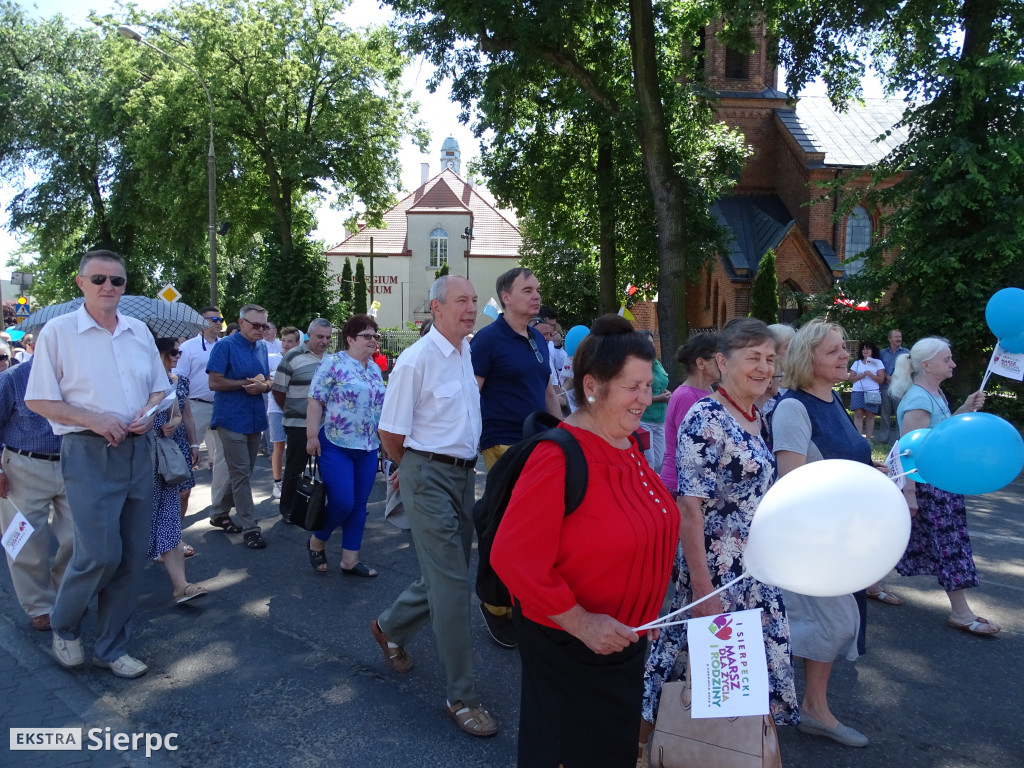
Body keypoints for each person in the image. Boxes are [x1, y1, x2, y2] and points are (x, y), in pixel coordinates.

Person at [492, 315, 678, 767]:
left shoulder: (628, 446)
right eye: (632, 387)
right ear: (593, 386)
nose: (645, 398)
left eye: (648, 385)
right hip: (573, 650)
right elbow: (512, 556)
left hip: (621, 647)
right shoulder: (557, 456)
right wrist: (582, 623)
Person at [641, 317, 798, 759]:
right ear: (721, 362)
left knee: (746, 674)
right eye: (753, 357)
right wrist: (703, 588)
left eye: (769, 358)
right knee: (684, 666)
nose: (764, 367)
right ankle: (644, 748)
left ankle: (742, 752)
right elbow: (689, 507)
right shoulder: (705, 417)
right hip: (715, 569)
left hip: (754, 569)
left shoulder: (757, 415)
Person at [26, 249, 167, 678]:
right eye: (99, 278)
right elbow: (38, 398)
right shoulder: (59, 331)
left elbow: (159, 389)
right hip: (87, 450)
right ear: (80, 283)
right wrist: (94, 418)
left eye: (117, 280)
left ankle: (111, 645)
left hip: (137, 451)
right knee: (99, 553)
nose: (109, 287)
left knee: (131, 555)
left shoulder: (139, 330)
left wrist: (149, 412)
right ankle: (65, 625)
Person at [372, 275, 499, 738]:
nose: (470, 307)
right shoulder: (416, 360)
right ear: (436, 308)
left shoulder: (465, 351)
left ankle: (388, 628)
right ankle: (461, 697)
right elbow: (390, 433)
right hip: (427, 473)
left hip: (463, 475)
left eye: (472, 299)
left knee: (440, 575)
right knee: (451, 583)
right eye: (461, 300)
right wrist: (416, 471)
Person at [771, 319, 870, 747]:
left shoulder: (832, 400)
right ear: (807, 359)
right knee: (830, 622)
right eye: (834, 350)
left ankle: (807, 706)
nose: (845, 354)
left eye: (843, 348)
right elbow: (791, 481)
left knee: (821, 623)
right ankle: (790, 707)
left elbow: (842, 461)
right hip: (814, 538)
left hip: (845, 533)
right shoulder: (794, 407)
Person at [471, 267, 561, 648]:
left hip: (540, 441)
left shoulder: (538, 340)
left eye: (538, 289)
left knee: (537, 527)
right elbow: (470, 395)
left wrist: (567, 435)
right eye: (527, 290)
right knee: (513, 525)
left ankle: (527, 602)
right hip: (504, 442)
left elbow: (549, 392)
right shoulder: (488, 341)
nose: (536, 296)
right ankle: (496, 605)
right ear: (505, 297)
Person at [891, 337, 996, 635]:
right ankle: (961, 613)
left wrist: (963, 408)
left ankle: (866, 584)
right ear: (926, 365)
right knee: (950, 548)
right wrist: (909, 493)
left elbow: (941, 434)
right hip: (929, 488)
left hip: (940, 484)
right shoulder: (919, 399)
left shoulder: (934, 393)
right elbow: (909, 452)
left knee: (898, 539)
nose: (953, 364)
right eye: (946, 359)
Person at [305, 314, 385, 575]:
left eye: (375, 335)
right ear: (350, 339)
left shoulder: (374, 368)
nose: (373, 340)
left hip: (368, 446)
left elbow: (379, 407)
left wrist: (385, 440)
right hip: (336, 443)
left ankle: (350, 559)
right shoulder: (333, 363)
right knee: (342, 502)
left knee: (360, 504)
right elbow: (316, 400)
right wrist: (311, 436)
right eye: (367, 336)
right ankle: (318, 539)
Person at [0, 355, 72, 632]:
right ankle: (39, 606)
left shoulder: (79, 373)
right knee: (24, 540)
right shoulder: (13, 378)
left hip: (73, 463)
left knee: (80, 536)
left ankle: (66, 592)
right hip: (23, 466)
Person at [206, 304, 272, 550]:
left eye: (264, 325)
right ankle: (251, 528)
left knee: (243, 472)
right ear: (241, 322)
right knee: (242, 473)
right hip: (231, 417)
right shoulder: (225, 346)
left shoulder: (262, 347)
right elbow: (214, 382)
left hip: (255, 417)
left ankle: (219, 512)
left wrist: (264, 386)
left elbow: (266, 379)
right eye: (256, 325)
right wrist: (246, 384)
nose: (261, 330)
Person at [150, 338, 206, 604]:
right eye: (173, 352)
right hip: (136, 457)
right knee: (133, 520)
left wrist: (172, 424)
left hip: (165, 455)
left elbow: (177, 412)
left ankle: (181, 586)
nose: (178, 356)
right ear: (158, 352)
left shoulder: (173, 380)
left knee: (170, 514)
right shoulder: (137, 380)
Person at [273, 318, 333, 524]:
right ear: (309, 335)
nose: (324, 341)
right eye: (320, 336)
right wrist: (293, 411)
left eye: (328, 337)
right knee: (295, 468)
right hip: (298, 424)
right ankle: (288, 509)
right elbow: (278, 390)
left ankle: (327, 508)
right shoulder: (293, 356)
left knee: (329, 468)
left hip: (326, 425)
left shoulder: (331, 359)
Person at [658, 332, 719, 497]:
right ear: (701, 363)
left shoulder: (707, 391)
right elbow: (694, 449)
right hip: (680, 487)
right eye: (718, 358)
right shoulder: (687, 397)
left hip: (692, 484)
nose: (724, 363)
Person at [173, 306, 223, 478]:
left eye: (220, 320)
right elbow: (179, 378)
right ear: (201, 323)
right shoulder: (187, 347)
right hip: (196, 405)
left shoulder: (224, 345)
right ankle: (182, 492)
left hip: (222, 405)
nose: (218, 323)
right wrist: (180, 409)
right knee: (188, 451)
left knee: (223, 456)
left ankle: (219, 503)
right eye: (214, 320)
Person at [637, 329, 672, 473]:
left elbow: (662, 383)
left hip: (660, 419)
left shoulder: (657, 364)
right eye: (647, 344)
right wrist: (659, 398)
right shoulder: (638, 366)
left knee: (658, 461)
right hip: (645, 419)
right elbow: (637, 396)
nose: (651, 347)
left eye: (652, 343)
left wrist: (666, 393)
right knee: (649, 462)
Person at [878, 329, 910, 443]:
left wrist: (897, 380)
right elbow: (878, 368)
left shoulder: (906, 353)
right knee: (885, 413)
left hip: (900, 387)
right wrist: (887, 377)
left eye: (900, 337)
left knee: (900, 413)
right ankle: (883, 438)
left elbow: (910, 370)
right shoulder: (882, 353)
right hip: (885, 386)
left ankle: (899, 438)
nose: (899, 339)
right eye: (896, 337)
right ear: (889, 339)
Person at [849, 340, 885, 440]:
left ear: (872, 350)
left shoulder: (877, 363)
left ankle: (868, 439)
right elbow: (851, 379)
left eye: (868, 349)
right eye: (863, 349)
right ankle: (858, 438)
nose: (865, 351)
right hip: (858, 391)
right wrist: (860, 376)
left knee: (870, 415)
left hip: (872, 391)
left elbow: (881, 379)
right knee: (858, 414)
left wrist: (871, 375)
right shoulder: (856, 363)